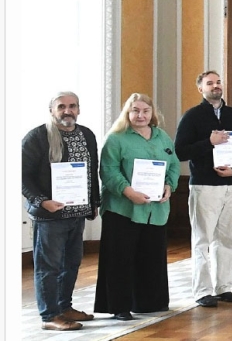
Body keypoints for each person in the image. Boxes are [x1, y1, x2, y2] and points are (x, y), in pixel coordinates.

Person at [93, 93, 180, 321]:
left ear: (152, 113)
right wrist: (129, 192)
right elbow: (108, 171)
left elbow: (173, 165)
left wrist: (169, 186)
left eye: (145, 111)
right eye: (135, 111)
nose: (141, 115)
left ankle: (149, 302)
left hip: (155, 209)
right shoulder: (116, 138)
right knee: (120, 258)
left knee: (151, 256)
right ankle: (119, 306)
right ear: (127, 113)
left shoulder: (162, 137)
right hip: (122, 208)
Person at [174, 71, 232, 308]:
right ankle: (202, 291)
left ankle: (224, 287)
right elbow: (180, 151)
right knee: (203, 240)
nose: (216, 86)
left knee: (228, 238)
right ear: (201, 89)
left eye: (218, 82)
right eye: (210, 83)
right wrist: (209, 142)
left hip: (231, 185)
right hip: (204, 186)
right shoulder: (192, 116)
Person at [22, 92, 101, 331]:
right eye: (61, 106)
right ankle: (50, 315)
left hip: (77, 213)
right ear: (52, 110)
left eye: (72, 106)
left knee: (71, 264)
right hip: (49, 215)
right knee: (49, 267)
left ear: (79, 109)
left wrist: (94, 202)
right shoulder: (37, 137)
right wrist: (42, 201)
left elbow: (92, 171)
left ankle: (64, 307)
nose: (68, 110)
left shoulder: (86, 134)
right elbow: (20, 175)